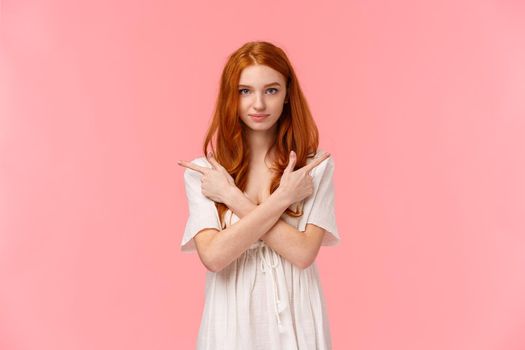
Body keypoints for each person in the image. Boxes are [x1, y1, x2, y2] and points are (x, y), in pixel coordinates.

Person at [177, 41, 340, 350]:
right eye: (245, 91)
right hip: (230, 320)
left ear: (288, 94)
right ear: (230, 97)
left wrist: (231, 196)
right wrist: (282, 199)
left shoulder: (313, 168)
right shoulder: (206, 173)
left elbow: (303, 254)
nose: (259, 105)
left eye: (271, 90)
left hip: (297, 315)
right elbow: (213, 256)